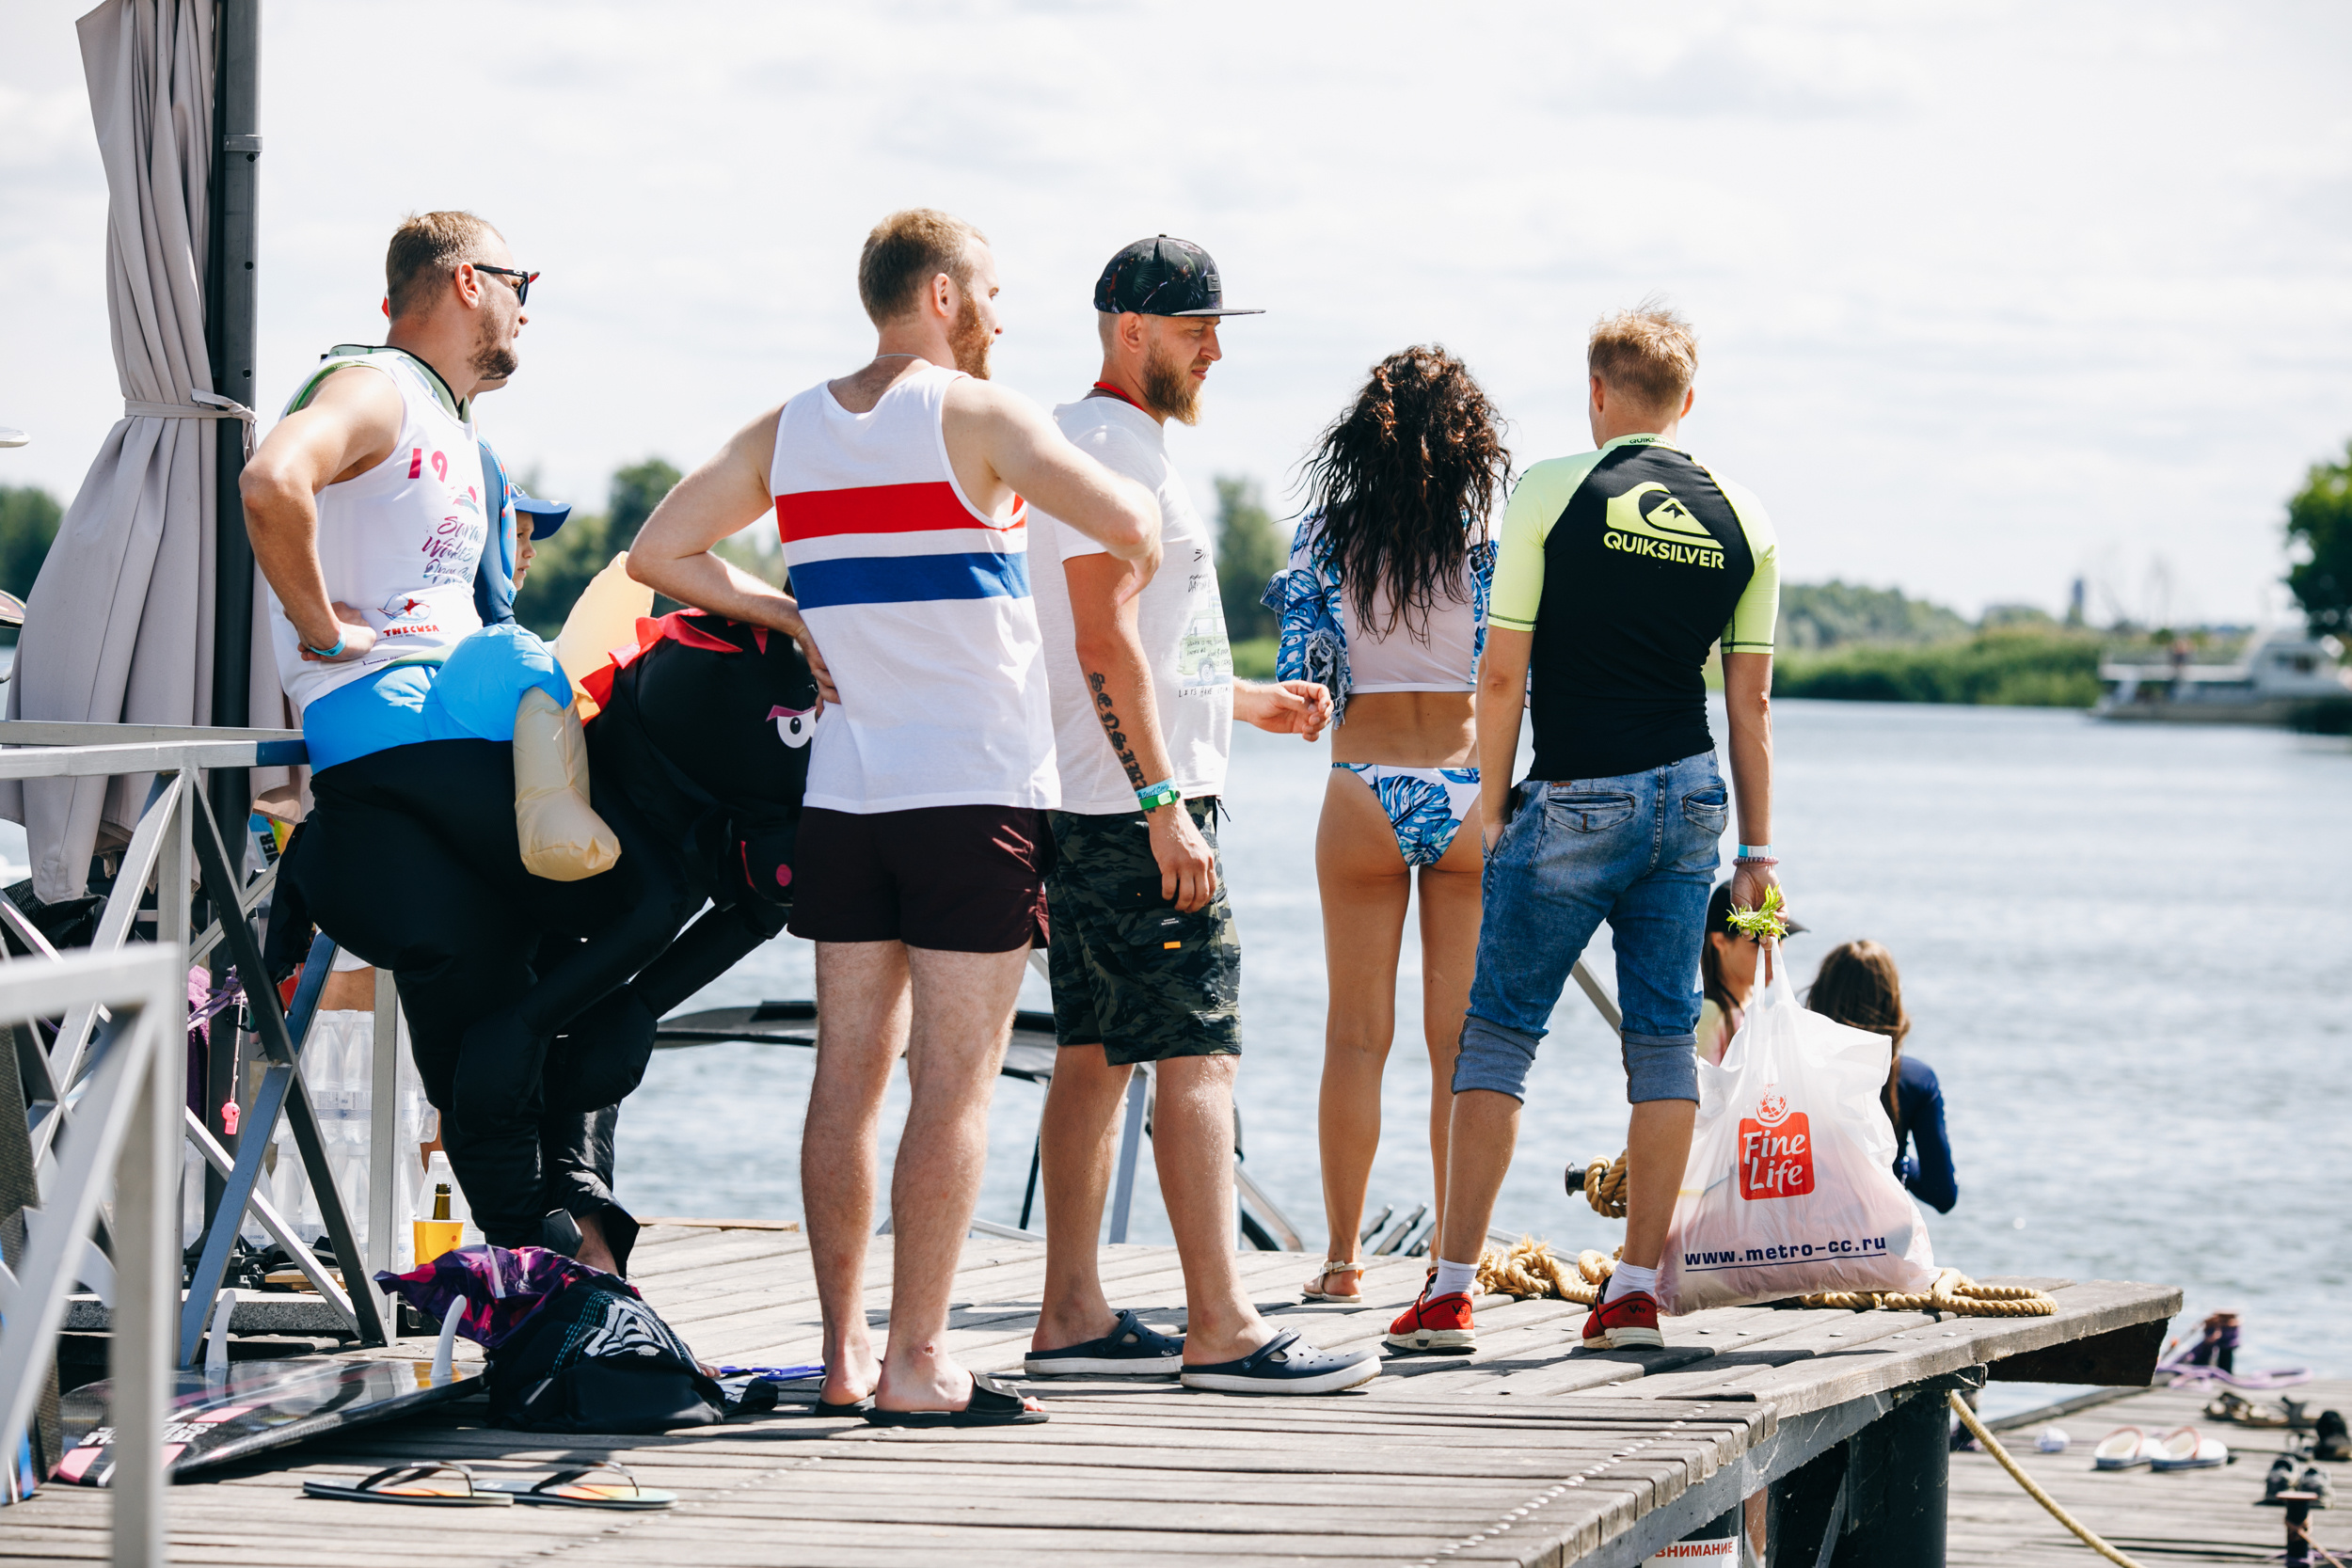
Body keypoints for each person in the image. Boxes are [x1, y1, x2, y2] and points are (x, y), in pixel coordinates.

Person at [626, 209, 1162, 1427]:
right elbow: (1132, 524)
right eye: (992, 290)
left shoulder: (792, 426)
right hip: (973, 792)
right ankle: (923, 1359)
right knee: (954, 1086)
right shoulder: (979, 414)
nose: (1005, 315)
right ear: (939, 294)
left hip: (846, 794)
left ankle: (841, 1354)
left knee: (846, 1078)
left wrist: (792, 614)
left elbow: (661, 552)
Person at [247, 213, 695, 1278]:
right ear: (460, 282)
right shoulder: (376, 385)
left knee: (496, 989)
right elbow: (272, 483)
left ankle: (568, 1262)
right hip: (408, 738)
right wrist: (320, 629)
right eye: (516, 278)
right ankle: (569, 1223)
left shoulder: (454, 427)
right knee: (643, 892)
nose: (526, 303)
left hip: (432, 752)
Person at [1388, 302, 1781, 1356]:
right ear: (1687, 404)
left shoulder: (1553, 491)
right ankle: (1636, 1290)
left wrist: (1491, 789)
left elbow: (1504, 661)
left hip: (1574, 794)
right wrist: (1756, 855)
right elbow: (1750, 708)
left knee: (1499, 1033)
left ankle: (1449, 1292)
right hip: (1693, 800)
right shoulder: (1748, 515)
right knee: (1663, 1038)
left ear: (1597, 394)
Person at [1021, 236, 1375, 1395]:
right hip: (1138, 810)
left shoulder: (1078, 446)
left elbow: (1143, 649)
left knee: (1093, 1052)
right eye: (1195, 326)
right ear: (1130, 326)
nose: (1215, 348)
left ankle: (1070, 1311)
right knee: (1197, 1050)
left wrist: (1247, 701)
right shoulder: (1116, 458)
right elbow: (1101, 635)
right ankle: (1220, 1326)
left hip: (1087, 798)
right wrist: (1165, 798)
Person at [1258, 346, 1510, 1304]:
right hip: (1463, 792)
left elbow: (1304, 673)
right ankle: (1452, 1264)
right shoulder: (1485, 538)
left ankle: (1339, 1260)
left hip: (1360, 787)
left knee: (1355, 1036)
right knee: (1461, 1043)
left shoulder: (1325, 536)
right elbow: (1503, 673)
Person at [1806, 940, 1955, 1213]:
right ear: (1892, 1001)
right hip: (1880, 1244)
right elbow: (1942, 1193)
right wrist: (1899, 1162)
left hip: (1802, 1240)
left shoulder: (1799, 1072)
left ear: (1820, 995)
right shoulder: (1916, 1081)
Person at [1695, 878, 1806, 1063]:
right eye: (1759, 947)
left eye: (1778, 944)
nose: (1772, 959)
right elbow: (1703, 1089)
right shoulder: (1710, 1013)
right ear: (1720, 941)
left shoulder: (1753, 1004)